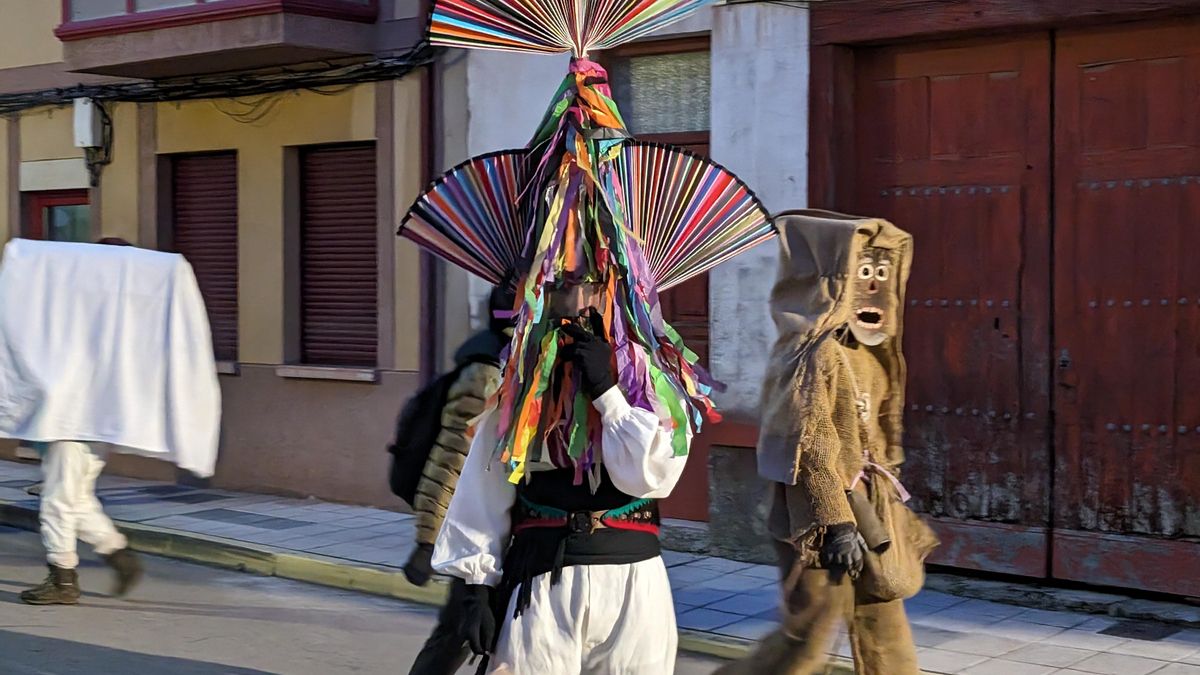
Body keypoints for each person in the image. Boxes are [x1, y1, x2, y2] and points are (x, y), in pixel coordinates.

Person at [717, 210, 936, 675]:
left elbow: (879, 433)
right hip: (813, 519)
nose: (873, 286)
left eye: (882, 274)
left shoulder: (871, 356)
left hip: (868, 513)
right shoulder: (814, 356)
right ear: (833, 283)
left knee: (885, 627)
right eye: (863, 272)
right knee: (806, 639)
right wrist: (836, 525)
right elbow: (811, 443)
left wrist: (884, 506)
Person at [433, 280, 691, 674]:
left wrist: (608, 393)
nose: (580, 301)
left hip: (634, 584)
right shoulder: (524, 380)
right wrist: (477, 589)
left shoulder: (651, 375)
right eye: (565, 285)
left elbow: (653, 476)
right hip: (541, 582)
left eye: (594, 285)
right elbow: (484, 487)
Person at [0, 238, 221, 605]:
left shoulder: (75, 327)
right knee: (76, 498)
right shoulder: (107, 331)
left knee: (58, 499)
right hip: (90, 419)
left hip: (73, 421)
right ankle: (119, 556)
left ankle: (63, 578)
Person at [406, 282, 516, 675]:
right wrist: (427, 541)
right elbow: (451, 459)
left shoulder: (521, 364)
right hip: (479, 533)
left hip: (513, 532)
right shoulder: (488, 373)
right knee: (455, 636)